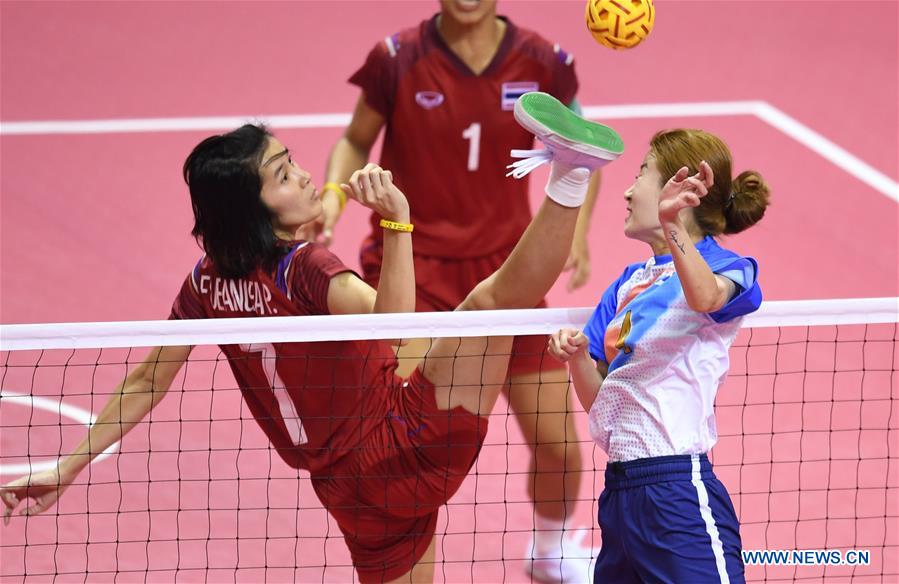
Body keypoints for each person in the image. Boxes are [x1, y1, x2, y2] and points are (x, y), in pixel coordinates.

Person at [1, 94, 622, 583]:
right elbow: (395, 328)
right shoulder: (304, 270)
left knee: (471, 318)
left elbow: (146, 381)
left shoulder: (203, 284)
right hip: (405, 442)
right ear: (253, 209)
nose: (303, 177)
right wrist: (397, 222)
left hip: (348, 492)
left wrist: (68, 466)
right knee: (492, 303)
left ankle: (571, 171)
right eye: (282, 174)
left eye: (292, 161)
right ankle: (571, 173)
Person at [318, 2, 602, 579]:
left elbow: (585, 149)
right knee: (406, 447)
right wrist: (332, 194)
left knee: (560, 448)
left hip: (508, 275)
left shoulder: (543, 61)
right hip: (414, 273)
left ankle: (550, 552)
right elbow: (354, 139)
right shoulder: (397, 58)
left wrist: (578, 233)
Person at [547, 128, 770, 583]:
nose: (627, 191)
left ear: (681, 191)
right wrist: (577, 358)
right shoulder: (627, 284)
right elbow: (601, 402)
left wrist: (672, 226)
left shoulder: (730, 268)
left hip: (676, 491)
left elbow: (706, 297)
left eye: (641, 173)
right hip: (621, 493)